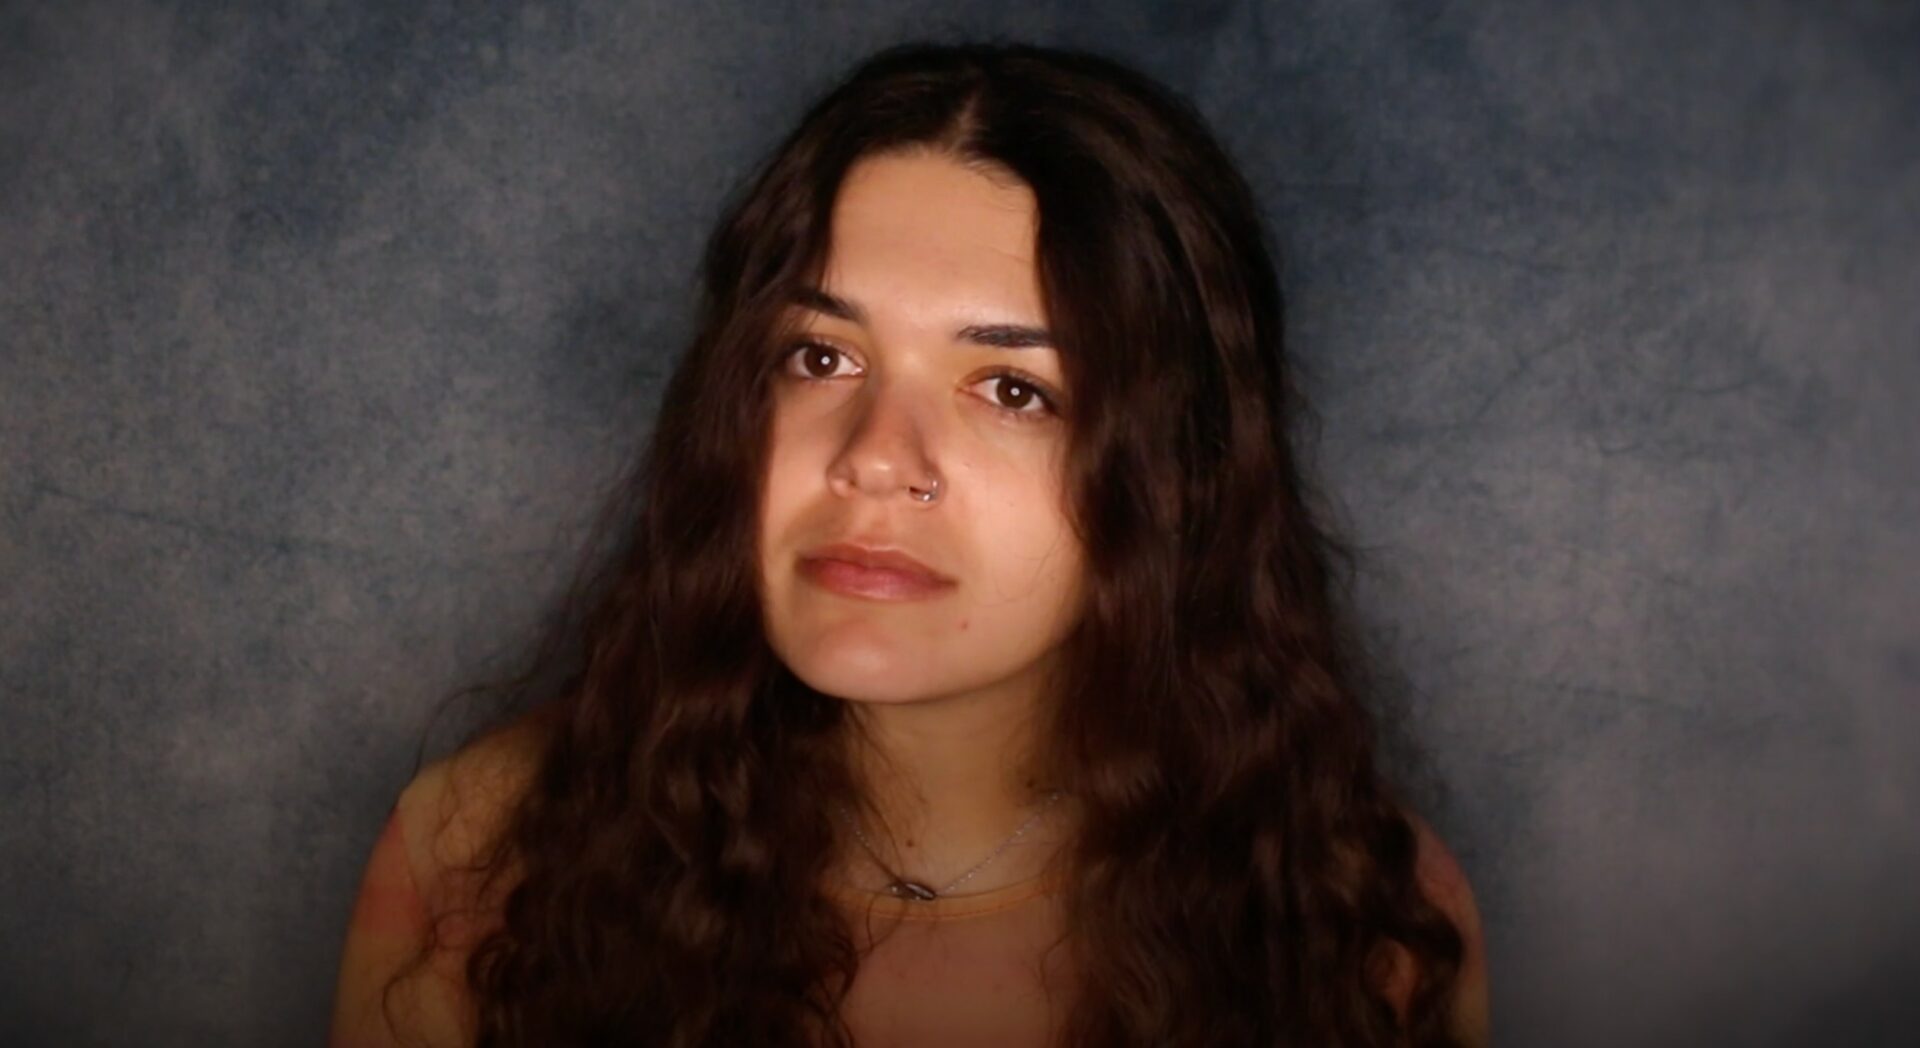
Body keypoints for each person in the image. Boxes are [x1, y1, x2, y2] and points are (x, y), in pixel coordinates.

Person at [329, 39, 1489, 1048]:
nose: (876, 458)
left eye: (1013, 389)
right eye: (820, 357)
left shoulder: (1359, 921)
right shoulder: (482, 861)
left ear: (1181, 474)